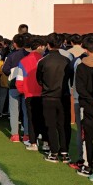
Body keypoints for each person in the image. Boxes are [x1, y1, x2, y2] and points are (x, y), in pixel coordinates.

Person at [36, 33, 73, 163]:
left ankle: (54, 152)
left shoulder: (43, 61)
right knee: (63, 125)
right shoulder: (67, 60)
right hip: (63, 96)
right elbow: (70, 78)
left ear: (48, 45)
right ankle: (65, 152)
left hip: (48, 97)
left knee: (51, 125)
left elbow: (39, 80)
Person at [73, 34, 93, 176]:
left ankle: (87, 164)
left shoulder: (81, 66)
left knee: (87, 137)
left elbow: (80, 88)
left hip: (88, 104)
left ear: (85, 49)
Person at [15, 37, 45, 151]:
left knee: (31, 119)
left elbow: (19, 80)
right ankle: (46, 142)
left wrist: (23, 91)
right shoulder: (44, 59)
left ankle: (33, 143)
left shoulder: (23, 61)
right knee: (43, 118)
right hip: (43, 93)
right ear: (40, 47)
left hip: (29, 94)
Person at [2, 33, 30, 142]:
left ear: (14, 43)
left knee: (14, 111)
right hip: (26, 85)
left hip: (14, 85)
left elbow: (5, 70)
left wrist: (12, 73)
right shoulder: (28, 55)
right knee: (26, 111)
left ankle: (15, 134)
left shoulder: (11, 55)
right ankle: (27, 134)